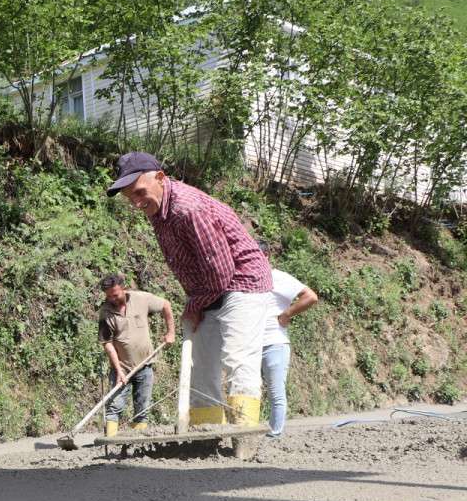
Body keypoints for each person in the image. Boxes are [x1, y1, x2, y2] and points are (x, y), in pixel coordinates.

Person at [108, 152, 272, 432]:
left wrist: (195, 306)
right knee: (199, 364)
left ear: (160, 177)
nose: (135, 203)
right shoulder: (158, 210)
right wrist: (196, 302)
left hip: (242, 283)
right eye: (128, 197)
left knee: (237, 358)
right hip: (206, 290)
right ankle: (206, 436)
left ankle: (244, 438)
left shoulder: (187, 208)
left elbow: (220, 270)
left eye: (139, 192)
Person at [97, 273, 175, 436]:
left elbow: (166, 305)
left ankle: (137, 444)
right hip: (122, 369)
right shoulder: (106, 312)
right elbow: (108, 344)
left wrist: (171, 333)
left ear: (123, 288)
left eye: (115, 294)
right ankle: (111, 442)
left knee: (143, 407)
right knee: (114, 407)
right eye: (109, 296)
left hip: (145, 364)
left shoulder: (142, 299)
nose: (113, 299)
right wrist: (118, 370)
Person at [262, 268, 319, 437]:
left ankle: (275, 433)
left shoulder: (278, 277)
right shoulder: (245, 276)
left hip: (274, 342)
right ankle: (247, 434)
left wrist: (287, 314)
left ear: (266, 256)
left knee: (275, 391)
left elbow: (310, 296)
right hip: (250, 344)